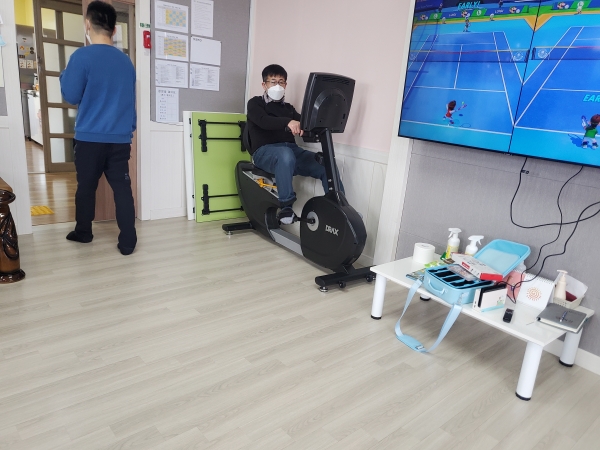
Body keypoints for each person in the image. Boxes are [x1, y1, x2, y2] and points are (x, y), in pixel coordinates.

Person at [60, 1, 137, 255]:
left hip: (89, 139)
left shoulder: (81, 56)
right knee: (122, 189)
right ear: (114, 29)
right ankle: (128, 242)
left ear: (87, 24)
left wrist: (63, 75)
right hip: (119, 139)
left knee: (86, 187)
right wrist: (129, 129)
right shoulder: (126, 62)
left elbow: (71, 95)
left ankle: (84, 232)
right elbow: (130, 101)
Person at [246, 64, 342, 225]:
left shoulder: (289, 109)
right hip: (264, 152)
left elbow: (304, 123)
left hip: (291, 152)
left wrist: (320, 122)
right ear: (264, 85)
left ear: (285, 85)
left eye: (281, 82)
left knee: (326, 164)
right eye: (273, 82)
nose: (277, 86)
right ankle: (286, 207)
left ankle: (339, 208)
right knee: (285, 154)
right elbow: (263, 121)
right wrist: (288, 122)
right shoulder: (255, 103)